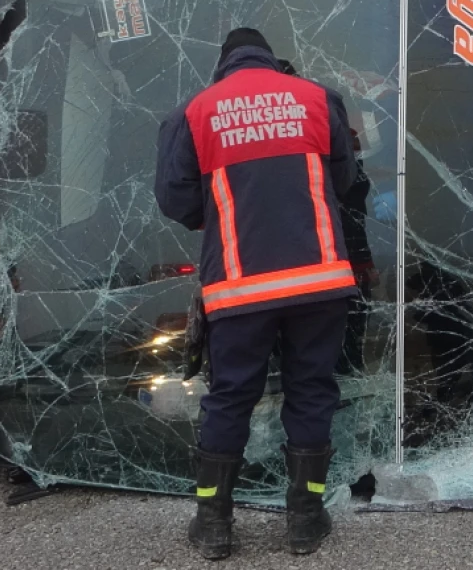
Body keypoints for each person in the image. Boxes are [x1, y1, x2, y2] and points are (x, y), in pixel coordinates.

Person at [155, 28, 360, 559]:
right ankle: (306, 521)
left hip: (238, 286)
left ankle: (214, 525)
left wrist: (224, 215)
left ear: (223, 67)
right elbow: (345, 180)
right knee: (311, 390)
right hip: (319, 281)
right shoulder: (317, 99)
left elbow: (176, 201)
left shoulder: (195, 112)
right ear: (272, 61)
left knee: (230, 397)